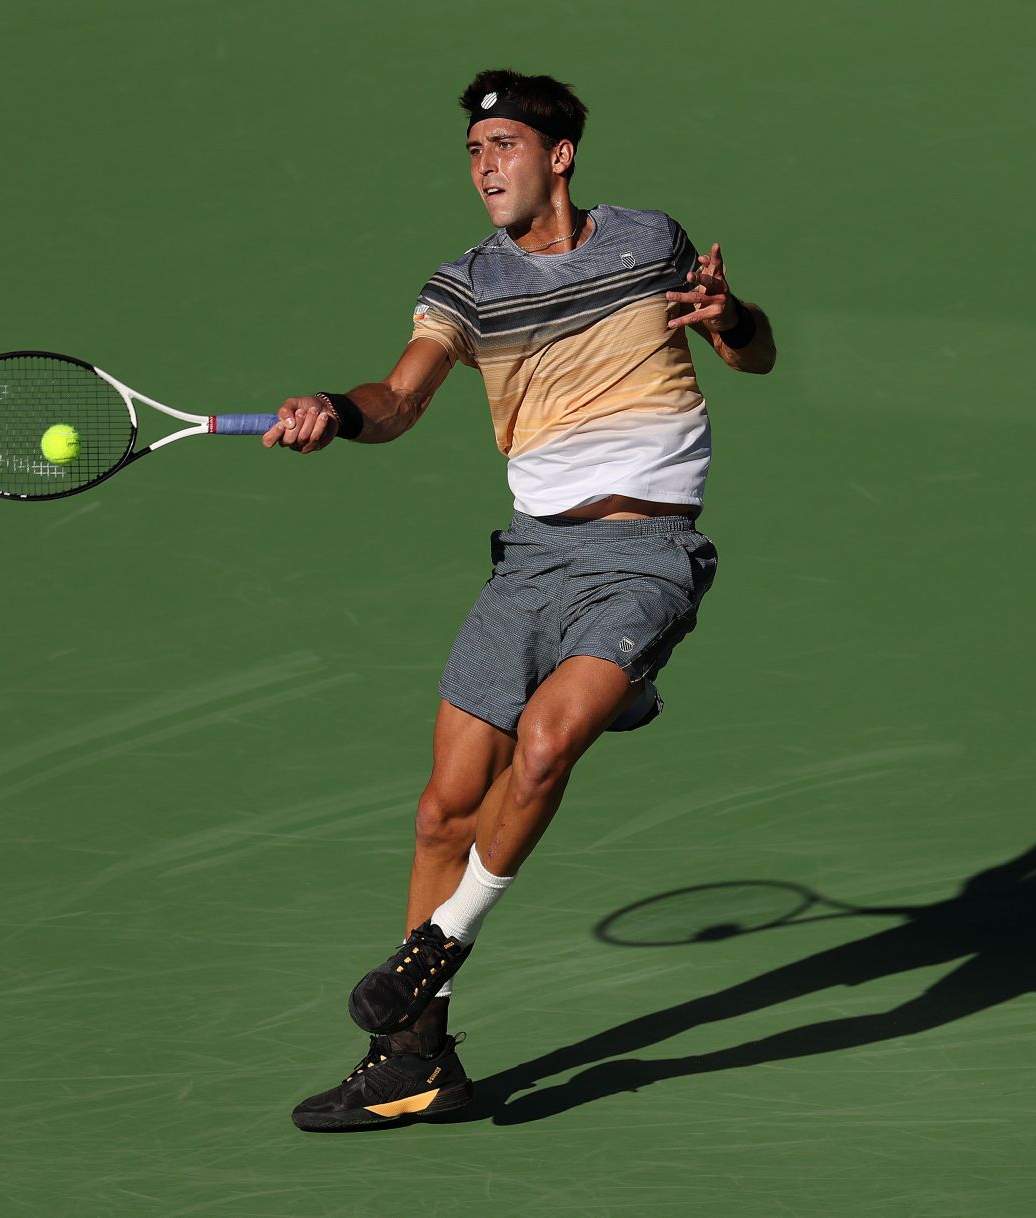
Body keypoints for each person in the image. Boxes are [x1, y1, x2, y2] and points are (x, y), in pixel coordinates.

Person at [271, 69, 776, 1131]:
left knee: (546, 746)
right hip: (532, 562)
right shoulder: (465, 285)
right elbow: (400, 398)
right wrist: (335, 408)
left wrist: (731, 317)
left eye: (502, 144)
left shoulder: (648, 242)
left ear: (560, 155)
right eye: (472, 150)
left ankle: (441, 942)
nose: (483, 165)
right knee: (444, 805)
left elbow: (752, 354)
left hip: (647, 558)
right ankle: (415, 1062)